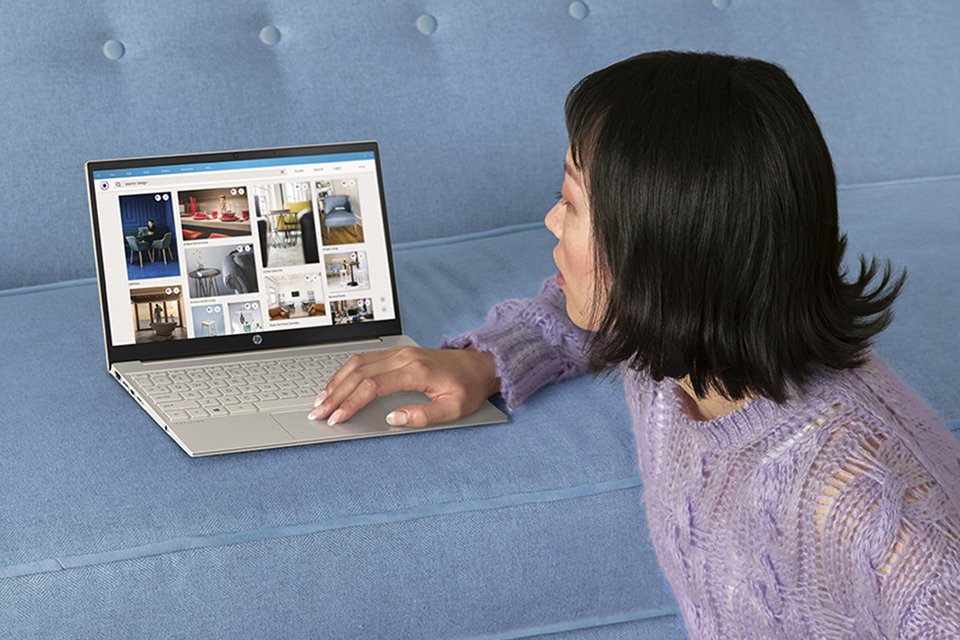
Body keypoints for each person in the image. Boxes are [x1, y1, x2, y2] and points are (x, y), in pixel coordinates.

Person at [306, 51, 960, 638]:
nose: (550, 220)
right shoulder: (677, 342)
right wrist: (484, 359)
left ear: (662, 254)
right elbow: (576, 313)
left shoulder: (869, 511)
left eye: (570, 201)